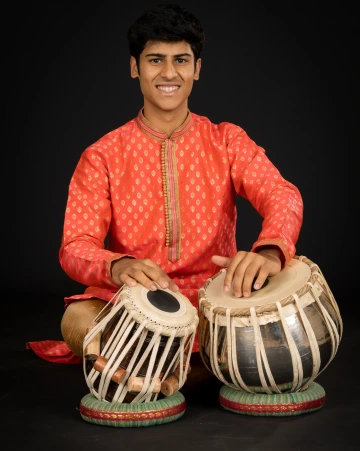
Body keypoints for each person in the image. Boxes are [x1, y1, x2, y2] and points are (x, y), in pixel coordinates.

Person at [29, 3, 303, 363]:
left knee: (261, 331)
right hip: (136, 300)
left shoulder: (226, 140)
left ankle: (145, 369)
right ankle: (185, 369)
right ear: (135, 67)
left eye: (181, 60)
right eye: (155, 60)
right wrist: (118, 266)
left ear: (197, 69)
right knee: (78, 319)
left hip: (217, 297)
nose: (169, 72)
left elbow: (281, 194)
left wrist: (269, 252)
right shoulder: (103, 154)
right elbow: (75, 245)